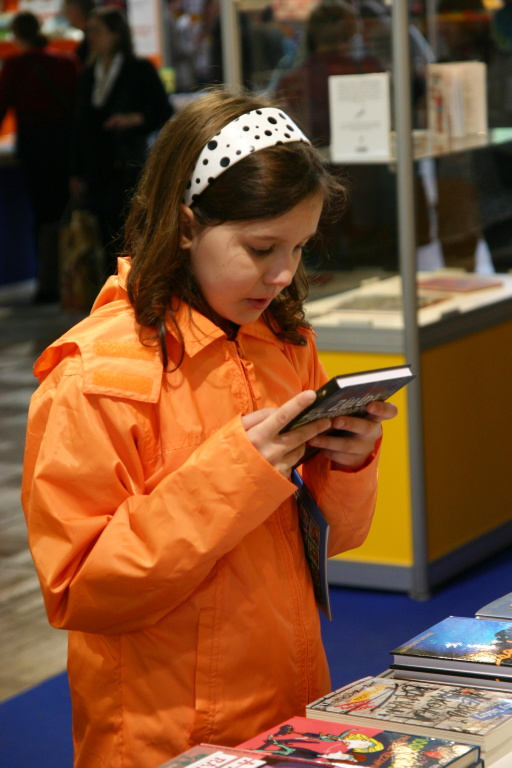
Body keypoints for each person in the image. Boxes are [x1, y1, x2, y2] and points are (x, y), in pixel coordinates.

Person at [21, 88, 397, 768]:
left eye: (299, 247)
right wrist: (240, 472)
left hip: (291, 701)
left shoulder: (284, 340)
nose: (283, 275)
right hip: (164, 735)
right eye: (261, 248)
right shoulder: (94, 374)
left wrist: (351, 463)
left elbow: (331, 542)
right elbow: (78, 588)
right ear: (187, 224)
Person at [70, 5, 173, 275]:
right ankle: (111, 291)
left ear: (115, 34)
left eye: (97, 30)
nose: (90, 36)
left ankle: (134, 285)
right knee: (103, 232)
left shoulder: (137, 69)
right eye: (89, 30)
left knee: (127, 228)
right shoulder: (89, 73)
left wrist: (134, 119)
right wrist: (76, 170)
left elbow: (162, 110)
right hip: (96, 165)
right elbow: (80, 125)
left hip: (126, 162)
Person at [0, 11, 80, 302]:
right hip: (64, 145)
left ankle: (48, 283)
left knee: (43, 214)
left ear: (18, 36)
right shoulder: (66, 61)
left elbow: (2, 104)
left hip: (35, 146)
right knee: (64, 212)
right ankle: (71, 279)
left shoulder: (15, 66)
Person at [62, 0, 96, 66]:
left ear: (74, 10)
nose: (64, 13)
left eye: (65, 8)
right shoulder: (88, 37)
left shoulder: (92, 42)